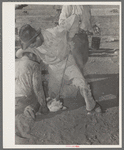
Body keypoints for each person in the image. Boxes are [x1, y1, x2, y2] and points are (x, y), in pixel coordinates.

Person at [18, 15, 102, 114]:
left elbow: (75, 18)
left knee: (83, 85)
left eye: (32, 43)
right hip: (54, 69)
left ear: (37, 36)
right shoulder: (33, 48)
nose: (32, 47)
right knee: (53, 96)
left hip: (68, 62)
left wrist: (70, 37)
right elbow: (20, 52)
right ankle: (62, 97)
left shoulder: (55, 32)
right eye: (29, 45)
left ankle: (91, 106)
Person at [15, 50, 49, 142]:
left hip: (12, 99)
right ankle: (30, 109)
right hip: (24, 99)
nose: (38, 59)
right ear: (31, 54)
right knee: (42, 89)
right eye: (37, 56)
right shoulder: (34, 65)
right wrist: (44, 106)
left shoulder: (14, 63)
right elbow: (38, 89)